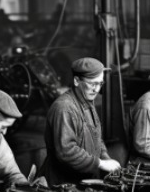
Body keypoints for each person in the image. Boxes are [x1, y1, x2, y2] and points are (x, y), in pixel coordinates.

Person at [40, 57, 120, 185]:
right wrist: (101, 163)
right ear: (77, 81)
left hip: (83, 181)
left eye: (100, 83)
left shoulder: (87, 101)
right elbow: (67, 151)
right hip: (62, 184)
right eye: (92, 83)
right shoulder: (64, 108)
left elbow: (97, 138)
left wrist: (106, 158)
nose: (97, 89)